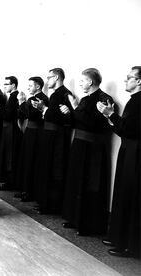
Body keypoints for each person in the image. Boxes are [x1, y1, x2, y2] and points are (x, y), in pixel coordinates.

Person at [61, 68, 113, 236]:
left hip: (93, 150)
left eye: (82, 81)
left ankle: (88, 225)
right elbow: (77, 121)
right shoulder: (85, 99)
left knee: (89, 185)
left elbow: (94, 124)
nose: (81, 84)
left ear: (90, 82)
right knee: (76, 182)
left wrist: (75, 108)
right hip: (79, 146)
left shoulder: (105, 99)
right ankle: (74, 219)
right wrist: (69, 112)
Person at [97, 66, 141, 258]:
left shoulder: (139, 102)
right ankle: (119, 238)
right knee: (123, 194)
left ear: (139, 81)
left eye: (129, 78)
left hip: (136, 154)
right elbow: (125, 130)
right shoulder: (134, 101)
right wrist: (110, 117)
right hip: (129, 151)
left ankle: (129, 246)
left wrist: (111, 115)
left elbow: (132, 129)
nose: (125, 81)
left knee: (130, 197)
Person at [33, 68, 74, 214]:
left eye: (49, 77)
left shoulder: (63, 94)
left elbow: (63, 118)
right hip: (52, 136)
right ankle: (47, 203)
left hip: (56, 138)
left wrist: (43, 109)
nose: (47, 80)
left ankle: (51, 205)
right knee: (48, 169)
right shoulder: (59, 94)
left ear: (56, 77)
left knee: (53, 170)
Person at [16, 76, 49, 202]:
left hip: (37, 134)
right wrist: (21, 103)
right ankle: (25, 190)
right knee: (26, 160)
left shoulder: (43, 99)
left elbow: (32, 115)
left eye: (31, 85)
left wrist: (23, 102)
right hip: (29, 132)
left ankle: (30, 192)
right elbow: (21, 114)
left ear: (38, 86)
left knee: (32, 161)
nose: (28, 87)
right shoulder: (31, 99)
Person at [0, 76, 22, 191]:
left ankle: (10, 183)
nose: (4, 86)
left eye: (7, 84)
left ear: (14, 85)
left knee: (9, 156)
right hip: (8, 129)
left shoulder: (14, 97)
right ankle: (9, 182)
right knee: (8, 155)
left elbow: (7, 115)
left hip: (11, 130)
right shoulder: (11, 96)